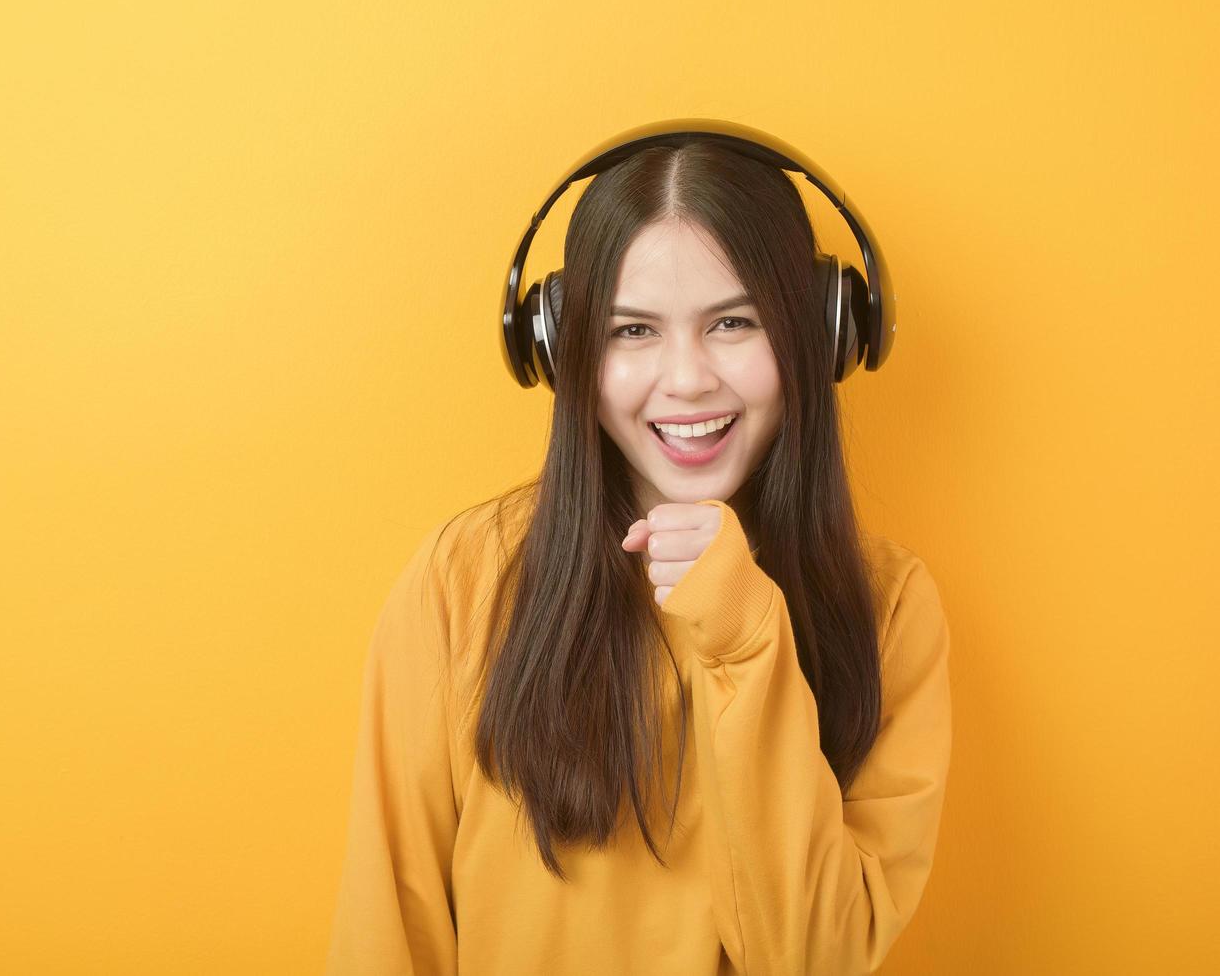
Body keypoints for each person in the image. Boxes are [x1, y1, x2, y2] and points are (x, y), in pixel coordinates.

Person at [324, 135, 953, 975]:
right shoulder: (462, 581)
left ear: (822, 331)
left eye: (734, 322)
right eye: (634, 330)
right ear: (563, 350)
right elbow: (388, 929)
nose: (686, 378)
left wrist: (744, 637)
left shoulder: (891, 608)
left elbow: (814, 956)